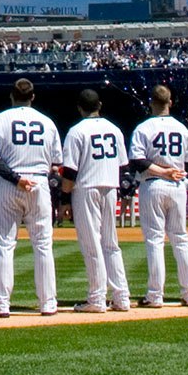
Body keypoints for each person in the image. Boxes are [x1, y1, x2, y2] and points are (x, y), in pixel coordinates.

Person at [0, 78, 60, 317]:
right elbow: (57, 164)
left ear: (12, 96)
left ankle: (1, 303)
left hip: (9, 183)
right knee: (43, 245)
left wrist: (16, 179)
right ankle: (48, 303)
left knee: (5, 244)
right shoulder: (47, 123)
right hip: (39, 181)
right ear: (33, 97)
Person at [58, 89, 130, 312]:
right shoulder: (114, 129)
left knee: (92, 245)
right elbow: (123, 166)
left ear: (80, 107)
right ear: (100, 104)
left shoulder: (77, 131)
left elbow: (69, 171)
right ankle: (121, 297)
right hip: (110, 186)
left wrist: (64, 199)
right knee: (111, 244)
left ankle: (97, 298)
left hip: (87, 187)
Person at [128, 85, 188, 308]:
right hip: (177, 185)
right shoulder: (181, 128)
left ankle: (155, 295)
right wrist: (170, 170)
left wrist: (162, 171)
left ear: (152, 102)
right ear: (171, 102)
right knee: (180, 239)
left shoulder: (144, 127)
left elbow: (138, 161)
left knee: (155, 240)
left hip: (154, 184)